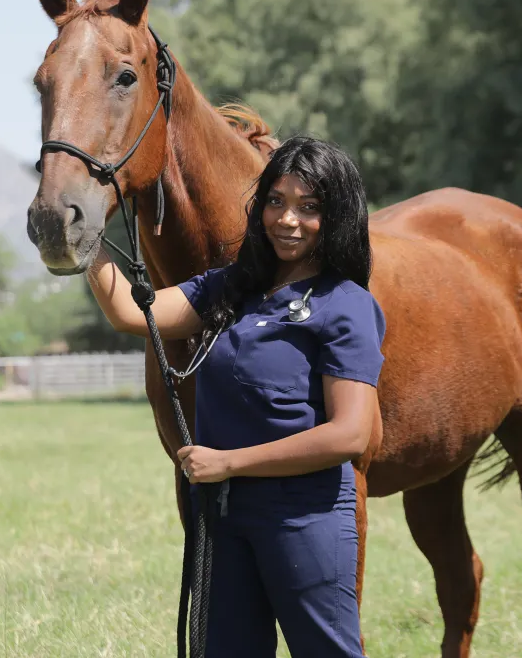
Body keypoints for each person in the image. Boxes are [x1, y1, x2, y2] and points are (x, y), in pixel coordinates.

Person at [85, 136, 386, 657]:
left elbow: (350, 434)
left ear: (335, 217)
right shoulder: (231, 287)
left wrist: (229, 463)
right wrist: (81, 241)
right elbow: (136, 314)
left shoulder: (347, 305)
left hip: (304, 518)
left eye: (309, 207)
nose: (287, 220)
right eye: (276, 201)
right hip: (223, 518)